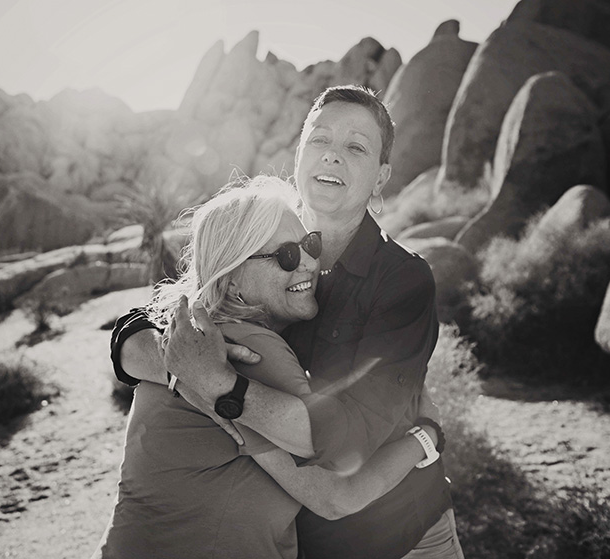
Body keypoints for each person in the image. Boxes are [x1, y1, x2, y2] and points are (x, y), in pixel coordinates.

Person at [115, 85, 463, 559]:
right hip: (305, 539)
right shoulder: (266, 234)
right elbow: (148, 322)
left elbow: (346, 441)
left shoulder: (401, 281)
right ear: (299, 154)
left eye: (355, 147)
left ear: (380, 178)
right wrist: (180, 367)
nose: (333, 156)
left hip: (398, 536)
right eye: (320, 140)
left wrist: (214, 382)